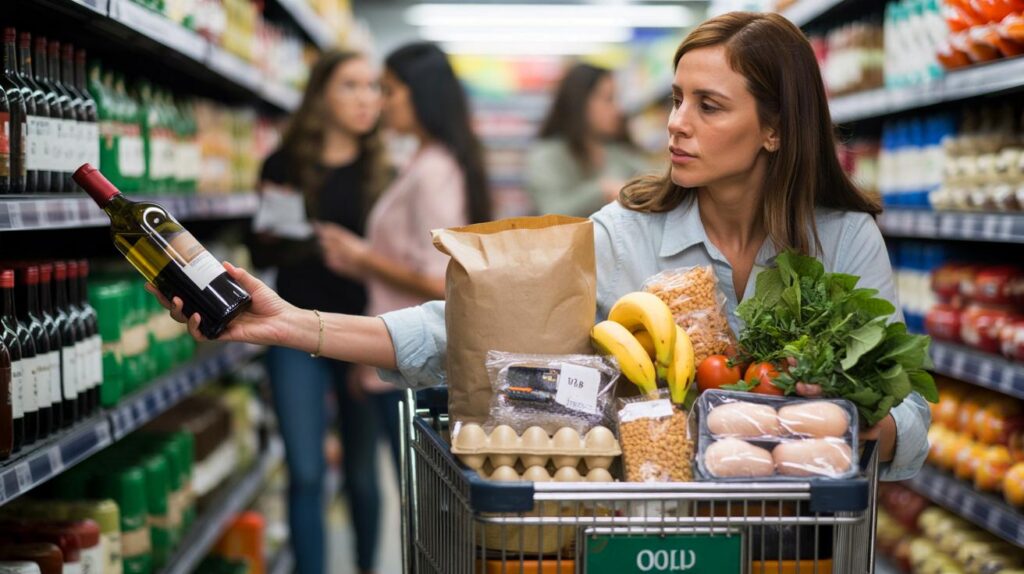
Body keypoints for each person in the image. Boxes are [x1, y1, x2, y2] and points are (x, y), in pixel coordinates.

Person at [152, 13, 930, 482]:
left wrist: (848, 427)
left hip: (791, 531)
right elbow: (468, 323)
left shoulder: (843, 238)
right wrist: (292, 322)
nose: (674, 124)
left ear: (774, 128)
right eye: (674, 99)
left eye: (708, 105)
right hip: (654, 518)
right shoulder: (625, 230)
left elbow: (909, 401)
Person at [315, 42, 491, 478]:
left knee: (422, 504)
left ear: (419, 93)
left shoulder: (433, 172)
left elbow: (441, 281)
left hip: (415, 361)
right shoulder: (426, 161)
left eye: (388, 90)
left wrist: (364, 257)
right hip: (403, 353)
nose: (379, 101)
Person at [246, 50, 390, 574]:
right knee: (305, 471)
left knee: (361, 473)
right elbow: (261, 252)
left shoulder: (385, 172)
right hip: (292, 331)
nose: (365, 98)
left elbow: (396, 262)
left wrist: (358, 256)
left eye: (373, 86)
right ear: (321, 94)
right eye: (350, 85)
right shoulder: (283, 166)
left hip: (366, 334)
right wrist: (307, 243)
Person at [526, 63, 648, 217]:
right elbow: (551, 213)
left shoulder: (619, 153)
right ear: (580, 101)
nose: (617, 109)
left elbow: (653, 182)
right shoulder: (546, 156)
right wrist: (602, 191)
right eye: (608, 99)